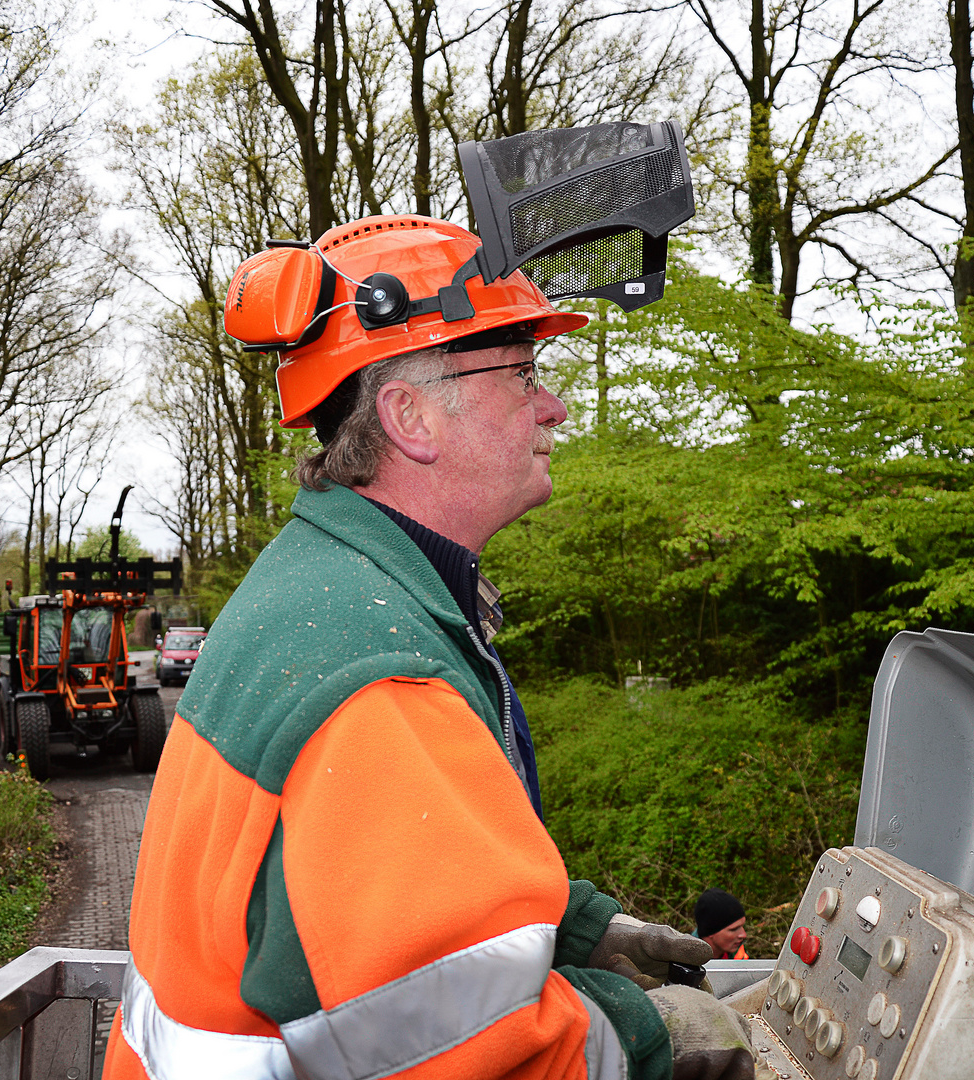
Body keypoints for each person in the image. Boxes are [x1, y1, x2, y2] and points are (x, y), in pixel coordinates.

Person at [102, 215, 758, 1080]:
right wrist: (648, 1038)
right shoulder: (377, 671)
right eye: (522, 373)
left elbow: (352, 889)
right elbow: (448, 1046)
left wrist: (574, 924)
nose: (553, 404)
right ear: (409, 416)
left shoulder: (334, 586)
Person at [694, 889, 750, 960]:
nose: (743, 935)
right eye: (734, 929)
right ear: (710, 932)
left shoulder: (738, 952)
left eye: (742, 926)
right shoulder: (685, 962)